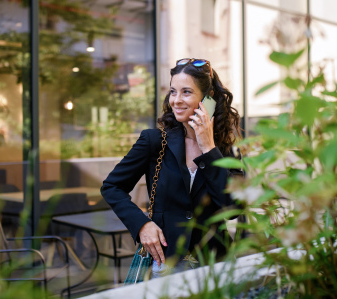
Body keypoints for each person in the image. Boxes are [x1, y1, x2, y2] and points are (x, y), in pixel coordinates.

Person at [101, 58, 242, 278]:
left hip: (216, 262)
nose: (176, 100)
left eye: (186, 92)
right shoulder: (154, 141)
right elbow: (112, 187)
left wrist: (208, 148)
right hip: (167, 263)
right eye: (173, 91)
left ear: (208, 99)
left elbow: (234, 207)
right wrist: (141, 225)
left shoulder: (226, 149)